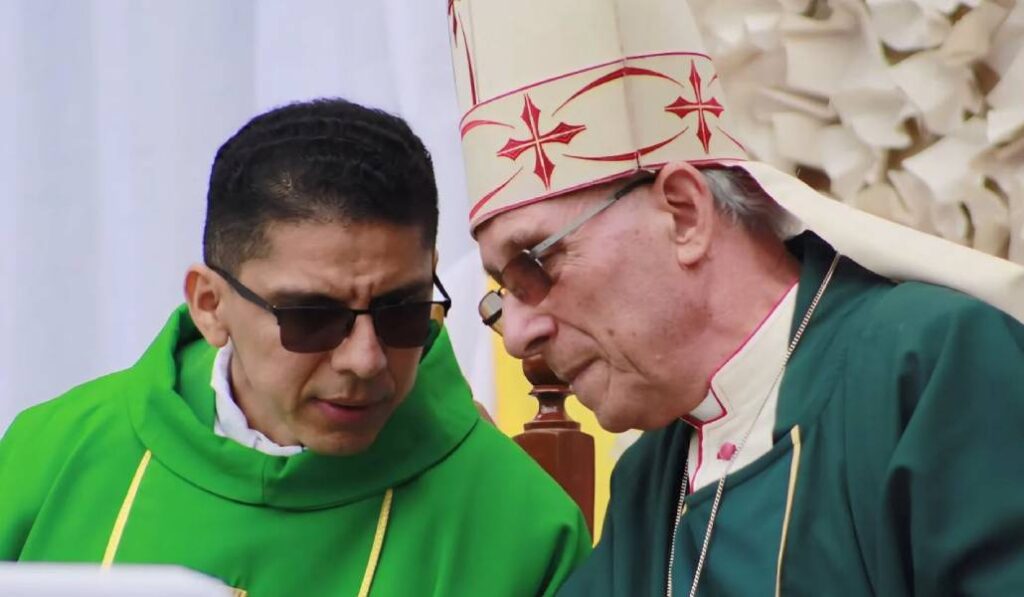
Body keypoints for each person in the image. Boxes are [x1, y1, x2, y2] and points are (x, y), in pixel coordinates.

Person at [444, 0, 1024, 595]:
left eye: (536, 264)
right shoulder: (649, 478)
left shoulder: (931, 366)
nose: (517, 336)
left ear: (685, 213)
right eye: (503, 295)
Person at [0, 98, 590, 595]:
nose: (365, 361)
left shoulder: (524, 529)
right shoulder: (50, 457)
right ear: (210, 306)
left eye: (401, 312)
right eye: (312, 317)